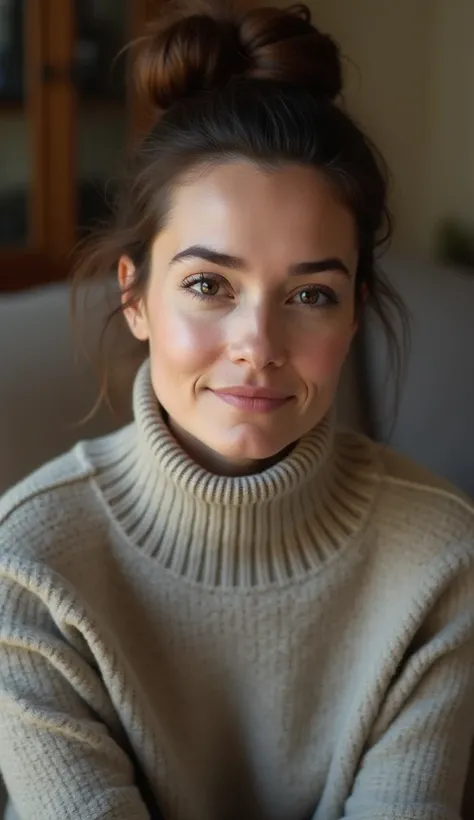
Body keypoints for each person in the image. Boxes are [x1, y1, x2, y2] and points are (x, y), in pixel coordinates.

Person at [1, 2, 473, 819]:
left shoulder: (440, 563)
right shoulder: (30, 568)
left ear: (355, 312)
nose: (258, 343)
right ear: (136, 297)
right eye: (208, 285)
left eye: (310, 294)